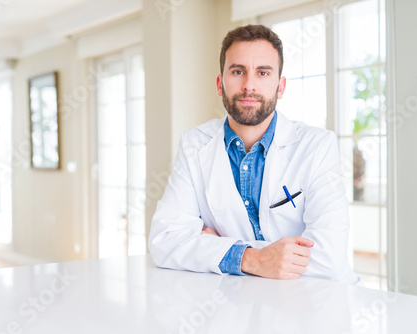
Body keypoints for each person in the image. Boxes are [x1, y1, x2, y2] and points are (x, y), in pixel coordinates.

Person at [149, 24, 359, 284]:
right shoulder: (194, 144)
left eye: (262, 72)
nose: (249, 85)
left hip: (319, 304)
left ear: (280, 87)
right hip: (242, 304)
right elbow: (165, 241)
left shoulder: (317, 146)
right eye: (238, 71)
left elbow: (329, 256)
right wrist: (252, 259)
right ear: (220, 83)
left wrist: (220, 248)